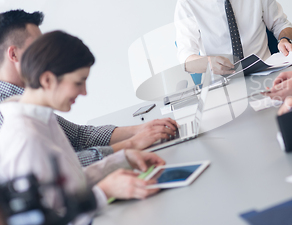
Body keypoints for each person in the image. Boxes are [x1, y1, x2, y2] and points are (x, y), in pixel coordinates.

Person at [0, 31, 164, 225]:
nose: (84, 92)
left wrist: (122, 160)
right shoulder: (25, 138)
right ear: (48, 79)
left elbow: (67, 185)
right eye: (79, 82)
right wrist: (104, 192)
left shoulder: (43, 119)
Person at [0, 10, 178, 166]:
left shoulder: (33, 107)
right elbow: (68, 168)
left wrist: (139, 131)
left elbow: (77, 138)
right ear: (13, 54)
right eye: (37, 47)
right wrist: (129, 145)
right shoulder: (18, 125)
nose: (45, 52)